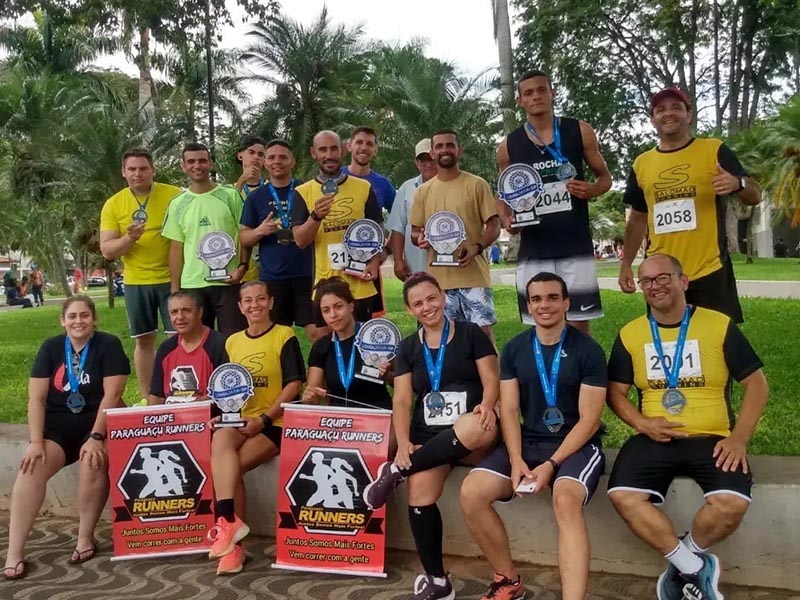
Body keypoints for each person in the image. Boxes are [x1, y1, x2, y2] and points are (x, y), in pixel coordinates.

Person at [606, 253, 768, 600]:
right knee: (621, 495)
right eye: (647, 281)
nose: (655, 286)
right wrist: (642, 423)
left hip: (713, 437)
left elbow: (757, 384)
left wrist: (739, 438)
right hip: (653, 436)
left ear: (683, 281)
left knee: (732, 503)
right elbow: (615, 393)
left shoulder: (718, 325)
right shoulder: (630, 334)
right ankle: (695, 568)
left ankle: (682, 559)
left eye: (663, 277)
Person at [460, 272, 607, 600]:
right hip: (529, 440)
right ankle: (508, 582)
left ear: (567, 303)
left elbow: (590, 420)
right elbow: (509, 412)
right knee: (472, 492)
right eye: (537, 299)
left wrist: (552, 465)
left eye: (553, 297)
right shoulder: (514, 349)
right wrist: (516, 461)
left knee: (565, 499)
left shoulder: (589, 351)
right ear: (528, 306)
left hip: (577, 444)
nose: (545, 305)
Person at [363, 272, 498, 600]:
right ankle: (437, 581)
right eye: (418, 303)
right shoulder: (408, 347)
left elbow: (492, 378)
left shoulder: (470, 334)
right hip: (429, 435)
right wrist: (404, 441)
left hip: (473, 429)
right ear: (409, 310)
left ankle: (396, 472)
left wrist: (488, 404)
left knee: (472, 424)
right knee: (420, 491)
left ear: (443, 296)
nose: (428, 307)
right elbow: (403, 399)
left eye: (432, 298)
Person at [2, 296, 130, 580]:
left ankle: (85, 537)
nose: (78, 321)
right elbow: (36, 399)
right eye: (72, 316)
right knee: (30, 467)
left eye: (84, 315)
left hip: (98, 421)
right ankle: (15, 551)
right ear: (63, 321)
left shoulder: (108, 345)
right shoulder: (50, 348)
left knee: (92, 461)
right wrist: (36, 443)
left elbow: (113, 395)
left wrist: (96, 436)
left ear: (94, 319)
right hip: (58, 426)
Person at [618, 88, 761, 324]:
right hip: (660, 275)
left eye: (676, 107)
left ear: (689, 114)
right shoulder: (641, 164)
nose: (669, 114)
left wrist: (738, 183)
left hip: (709, 269)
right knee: (669, 343)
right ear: (652, 118)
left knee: (716, 344)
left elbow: (755, 194)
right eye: (661, 109)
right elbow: (637, 218)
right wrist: (625, 264)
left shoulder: (713, 150)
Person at [498, 70, 612, 334]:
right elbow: (502, 195)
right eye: (529, 93)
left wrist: (592, 190)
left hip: (575, 243)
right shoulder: (509, 145)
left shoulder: (579, 130)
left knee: (578, 322)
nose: (536, 96)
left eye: (541, 90)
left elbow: (605, 178)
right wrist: (507, 220)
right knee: (540, 322)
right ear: (520, 101)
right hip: (535, 247)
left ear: (552, 93)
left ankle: (582, 373)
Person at [208, 280, 305, 575]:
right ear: (239, 307)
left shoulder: (284, 335)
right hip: (238, 418)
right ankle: (228, 523)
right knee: (220, 444)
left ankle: (233, 546)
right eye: (248, 301)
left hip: (275, 422)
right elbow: (224, 385)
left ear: (271, 302)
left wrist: (263, 419)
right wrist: (219, 414)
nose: (255, 305)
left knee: (230, 467)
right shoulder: (232, 341)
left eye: (260, 299)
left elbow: (294, 384)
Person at [100, 148, 182, 400]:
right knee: (144, 340)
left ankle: (180, 393)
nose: (138, 174)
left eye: (143, 168)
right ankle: (150, 397)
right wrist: (129, 238)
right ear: (124, 172)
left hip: (172, 280)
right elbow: (107, 250)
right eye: (132, 169)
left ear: (153, 170)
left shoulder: (174, 195)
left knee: (179, 338)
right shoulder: (114, 204)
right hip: (137, 282)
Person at [291, 130, 386, 338]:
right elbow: (300, 241)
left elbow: (378, 233)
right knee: (329, 349)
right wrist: (315, 216)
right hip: (325, 286)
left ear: (343, 150)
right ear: (313, 153)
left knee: (363, 345)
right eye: (322, 150)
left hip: (360, 285)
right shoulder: (303, 192)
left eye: (333, 149)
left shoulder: (363, 187)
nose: (329, 155)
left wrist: (374, 260)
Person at [410, 129, 501, 343]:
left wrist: (477, 247)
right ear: (432, 153)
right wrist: (419, 239)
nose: (445, 150)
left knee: (483, 337)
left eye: (449, 145)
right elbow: (415, 231)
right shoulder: (423, 192)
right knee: (447, 341)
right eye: (439, 146)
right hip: (439, 282)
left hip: (474, 277)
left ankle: (490, 378)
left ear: (459, 150)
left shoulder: (477, 185)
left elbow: (494, 225)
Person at [162, 142, 249, 337]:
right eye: (191, 161)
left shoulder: (230, 195)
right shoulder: (177, 204)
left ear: (211, 164)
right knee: (199, 343)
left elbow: (245, 234)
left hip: (228, 282)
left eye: (202, 160)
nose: (197, 165)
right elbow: (176, 249)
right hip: (193, 285)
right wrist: (175, 291)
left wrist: (242, 267)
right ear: (183, 166)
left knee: (233, 341)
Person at [240, 139, 318, 340]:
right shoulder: (255, 197)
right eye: (272, 157)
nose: (277, 161)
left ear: (292, 161)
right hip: (272, 279)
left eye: (283, 157)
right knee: (275, 337)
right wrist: (260, 230)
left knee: (317, 333)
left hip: (308, 274)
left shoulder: (307, 190)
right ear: (265, 162)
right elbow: (244, 238)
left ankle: (318, 372)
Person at [302, 277, 393, 410]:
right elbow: (314, 394)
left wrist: (386, 376)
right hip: (340, 422)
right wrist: (310, 397)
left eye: (338, 307)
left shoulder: (374, 337)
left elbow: (400, 381)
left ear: (351, 306)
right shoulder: (321, 347)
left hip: (377, 417)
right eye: (326, 310)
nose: (333, 315)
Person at [149, 290, 228, 405]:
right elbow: (156, 396)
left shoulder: (219, 344)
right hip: (171, 418)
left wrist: (192, 407)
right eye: (174, 312)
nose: (180, 317)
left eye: (186, 310)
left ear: (200, 312)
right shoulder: (166, 348)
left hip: (207, 417)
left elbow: (226, 394)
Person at [386, 138, 437, 281]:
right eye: (422, 160)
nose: (428, 164)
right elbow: (398, 227)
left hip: (450, 266)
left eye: (431, 159)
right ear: (416, 163)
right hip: (416, 265)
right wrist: (398, 260)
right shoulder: (406, 188)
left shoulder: (453, 186)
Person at [231, 134, 265, 284]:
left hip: (266, 264)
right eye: (251, 152)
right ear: (240, 156)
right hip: (239, 266)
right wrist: (242, 181)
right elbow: (229, 212)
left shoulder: (271, 188)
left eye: (261, 154)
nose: (256, 157)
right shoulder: (230, 190)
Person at [342, 126, 397, 211]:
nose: (364, 148)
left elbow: (398, 217)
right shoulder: (334, 178)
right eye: (359, 142)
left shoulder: (383, 184)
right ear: (349, 146)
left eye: (369, 144)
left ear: (375, 150)